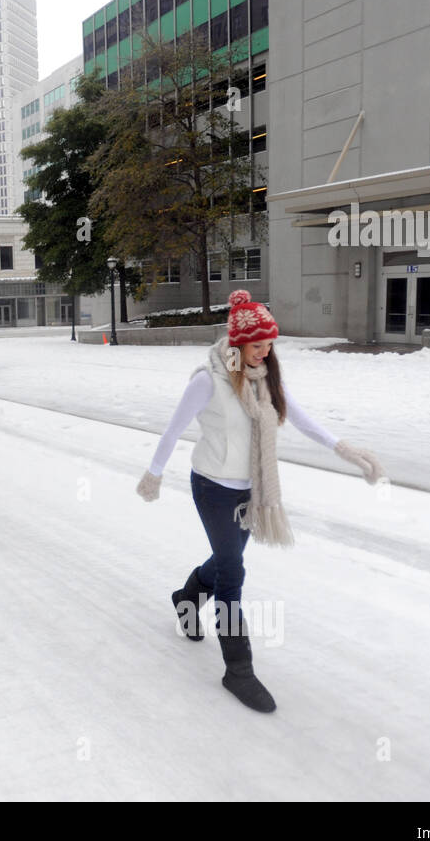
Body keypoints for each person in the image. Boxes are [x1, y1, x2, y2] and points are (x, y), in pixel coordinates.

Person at [135, 290, 386, 714]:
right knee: (232, 571)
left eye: (270, 345)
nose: (264, 353)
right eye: (257, 345)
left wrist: (342, 448)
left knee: (223, 560)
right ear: (237, 343)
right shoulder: (207, 380)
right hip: (212, 488)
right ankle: (239, 670)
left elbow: (298, 415)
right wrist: (154, 474)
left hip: (251, 490)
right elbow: (173, 429)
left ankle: (187, 597)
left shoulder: (265, 378)